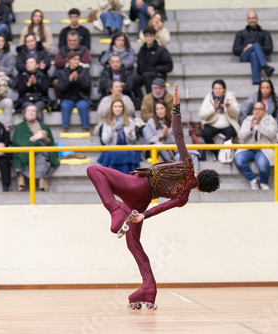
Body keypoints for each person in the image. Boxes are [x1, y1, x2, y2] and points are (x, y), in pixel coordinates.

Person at [87, 84, 220, 310]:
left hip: (138, 186)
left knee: (94, 170)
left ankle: (114, 208)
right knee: (133, 242)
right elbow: (163, 207)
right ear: (201, 189)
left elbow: (177, 132)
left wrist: (176, 105)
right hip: (142, 202)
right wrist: (143, 216)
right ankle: (148, 287)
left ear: (198, 171)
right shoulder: (185, 197)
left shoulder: (188, 165)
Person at [234, 102, 278, 190]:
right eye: (256, 109)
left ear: (265, 110)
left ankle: (264, 183)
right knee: (238, 159)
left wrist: (259, 125)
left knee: (262, 162)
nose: (257, 111)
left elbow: (272, 134)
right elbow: (240, 136)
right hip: (249, 148)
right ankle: (253, 180)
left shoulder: (270, 120)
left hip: (265, 148)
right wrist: (250, 128)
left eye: (260, 109)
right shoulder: (248, 120)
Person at [12, 104, 59, 192]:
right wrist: (29, 143)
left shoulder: (43, 126)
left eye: (33, 111)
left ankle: (43, 184)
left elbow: (49, 143)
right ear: (25, 114)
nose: (31, 113)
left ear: (37, 114)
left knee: (42, 159)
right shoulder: (19, 127)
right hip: (23, 151)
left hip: (40, 151)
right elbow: (17, 141)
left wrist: (42, 137)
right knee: (19, 157)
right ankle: (21, 184)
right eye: (28, 111)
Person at [198, 79, 240, 160]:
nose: (217, 91)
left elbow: (236, 113)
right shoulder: (208, 98)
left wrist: (229, 107)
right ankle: (218, 154)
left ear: (224, 89)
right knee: (206, 133)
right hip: (213, 123)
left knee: (232, 133)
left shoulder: (230, 97)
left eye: (220, 89)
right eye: (215, 89)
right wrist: (213, 109)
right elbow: (201, 115)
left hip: (228, 123)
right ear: (212, 89)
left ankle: (226, 154)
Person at [97, 100, 141, 174]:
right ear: (112, 109)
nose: (118, 109)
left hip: (126, 148)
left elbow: (132, 140)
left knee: (131, 153)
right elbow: (105, 141)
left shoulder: (129, 122)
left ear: (123, 108)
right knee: (112, 154)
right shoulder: (107, 122)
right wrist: (112, 130)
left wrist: (130, 134)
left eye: (120, 106)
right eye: (115, 106)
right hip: (113, 148)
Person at [233, 11, 275, 85]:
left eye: (253, 18)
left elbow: (269, 49)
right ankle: (265, 67)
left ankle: (256, 81)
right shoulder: (241, 33)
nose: (252, 20)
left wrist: (255, 47)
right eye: (250, 18)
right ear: (247, 20)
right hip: (245, 56)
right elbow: (235, 50)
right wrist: (246, 47)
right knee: (255, 46)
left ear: (257, 19)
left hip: (257, 56)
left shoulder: (265, 33)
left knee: (254, 54)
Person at [56, 51, 91, 132]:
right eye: (75, 59)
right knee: (65, 105)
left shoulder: (84, 71)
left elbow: (87, 86)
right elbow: (61, 88)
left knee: (83, 106)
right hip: (67, 98)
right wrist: (69, 81)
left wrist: (78, 79)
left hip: (81, 97)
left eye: (78, 59)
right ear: (69, 60)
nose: (77, 61)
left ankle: (86, 128)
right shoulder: (62, 72)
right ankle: (65, 127)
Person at [135, 26, 173, 96]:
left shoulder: (161, 50)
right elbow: (139, 65)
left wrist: (155, 69)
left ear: (155, 37)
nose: (149, 38)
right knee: (134, 79)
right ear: (144, 37)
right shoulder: (142, 50)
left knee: (146, 75)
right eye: (146, 36)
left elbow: (169, 66)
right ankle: (141, 99)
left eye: (151, 36)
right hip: (144, 74)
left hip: (158, 75)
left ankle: (152, 98)